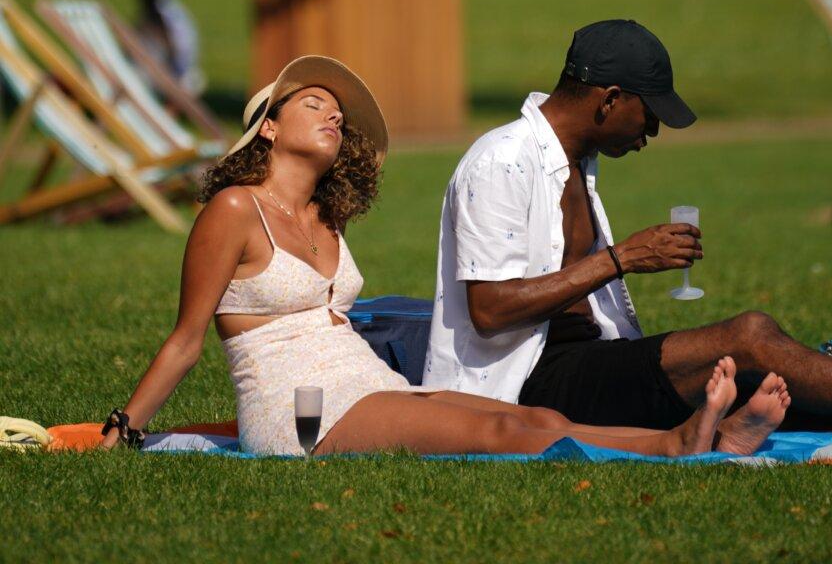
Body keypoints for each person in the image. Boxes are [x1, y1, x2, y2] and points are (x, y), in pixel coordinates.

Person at [102, 55, 791, 457]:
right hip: (296, 408)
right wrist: (125, 428)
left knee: (533, 418)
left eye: (337, 112)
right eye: (313, 104)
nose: (333, 115)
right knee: (494, 431)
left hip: (366, 382)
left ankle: (693, 438)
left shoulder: (324, 218)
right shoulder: (233, 210)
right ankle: (679, 445)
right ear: (269, 129)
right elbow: (187, 339)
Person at [423, 19, 832, 441]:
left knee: (763, 383)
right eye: (649, 114)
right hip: (521, 386)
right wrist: (621, 258)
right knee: (748, 337)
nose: (653, 132)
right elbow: (490, 310)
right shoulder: (501, 162)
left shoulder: (573, 161)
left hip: (585, 363)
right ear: (609, 100)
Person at [136, 0, 205, 95]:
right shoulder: (170, 6)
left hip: (177, 71)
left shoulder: (158, 12)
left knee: (138, 71)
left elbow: (170, 44)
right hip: (188, 68)